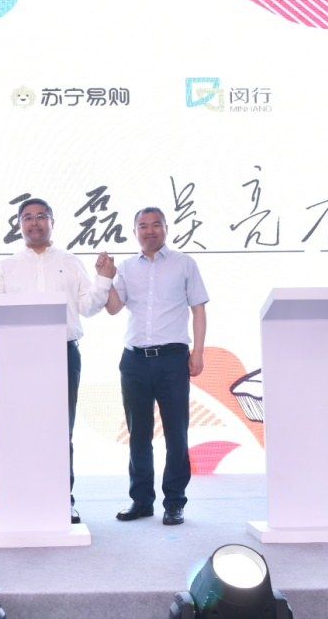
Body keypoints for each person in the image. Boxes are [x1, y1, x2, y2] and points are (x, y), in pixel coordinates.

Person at [0, 197, 114, 525]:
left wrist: (103, 279)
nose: (34, 223)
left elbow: (88, 307)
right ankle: (22, 499)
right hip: (18, 355)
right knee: (20, 429)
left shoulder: (70, 262)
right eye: (27, 218)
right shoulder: (6, 266)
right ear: (19, 224)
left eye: (40, 217)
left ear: (52, 221)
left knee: (60, 430)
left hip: (63, 352)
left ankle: (63, 500)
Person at [101, 207, 208, 526]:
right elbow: (113, 308)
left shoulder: (184, 263)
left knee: (176, 433)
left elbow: (199, 310)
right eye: (143, 226)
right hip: (134, 360)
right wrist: (106, 278)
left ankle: (174, 501)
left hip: (173, 358)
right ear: (135, 231)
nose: (150, 231)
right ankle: (141, 500)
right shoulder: (125, 268)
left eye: (156, 225)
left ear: (166, 228)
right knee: (138, 434)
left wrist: (198, 352)